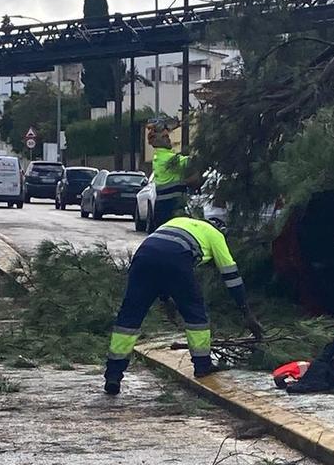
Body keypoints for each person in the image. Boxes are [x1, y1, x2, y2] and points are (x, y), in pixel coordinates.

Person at [104, 213, 264, 396]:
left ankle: (113, 375)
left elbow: (159, 256)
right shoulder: (215, 234)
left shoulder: (176, 222)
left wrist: (165, 299)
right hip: (177, 260)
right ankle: (202, 365)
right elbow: (231, 276)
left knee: (129, 317)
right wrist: (246, 313)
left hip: (142, 258)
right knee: (196, 315)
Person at [148, 119, 189, 230]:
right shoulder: (166, 159)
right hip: (169, 209)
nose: (168, 139)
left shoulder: (162, 156)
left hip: (165, 207)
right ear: (156, 141)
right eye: (164, 137)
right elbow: (190, 162)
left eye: (167, 136)